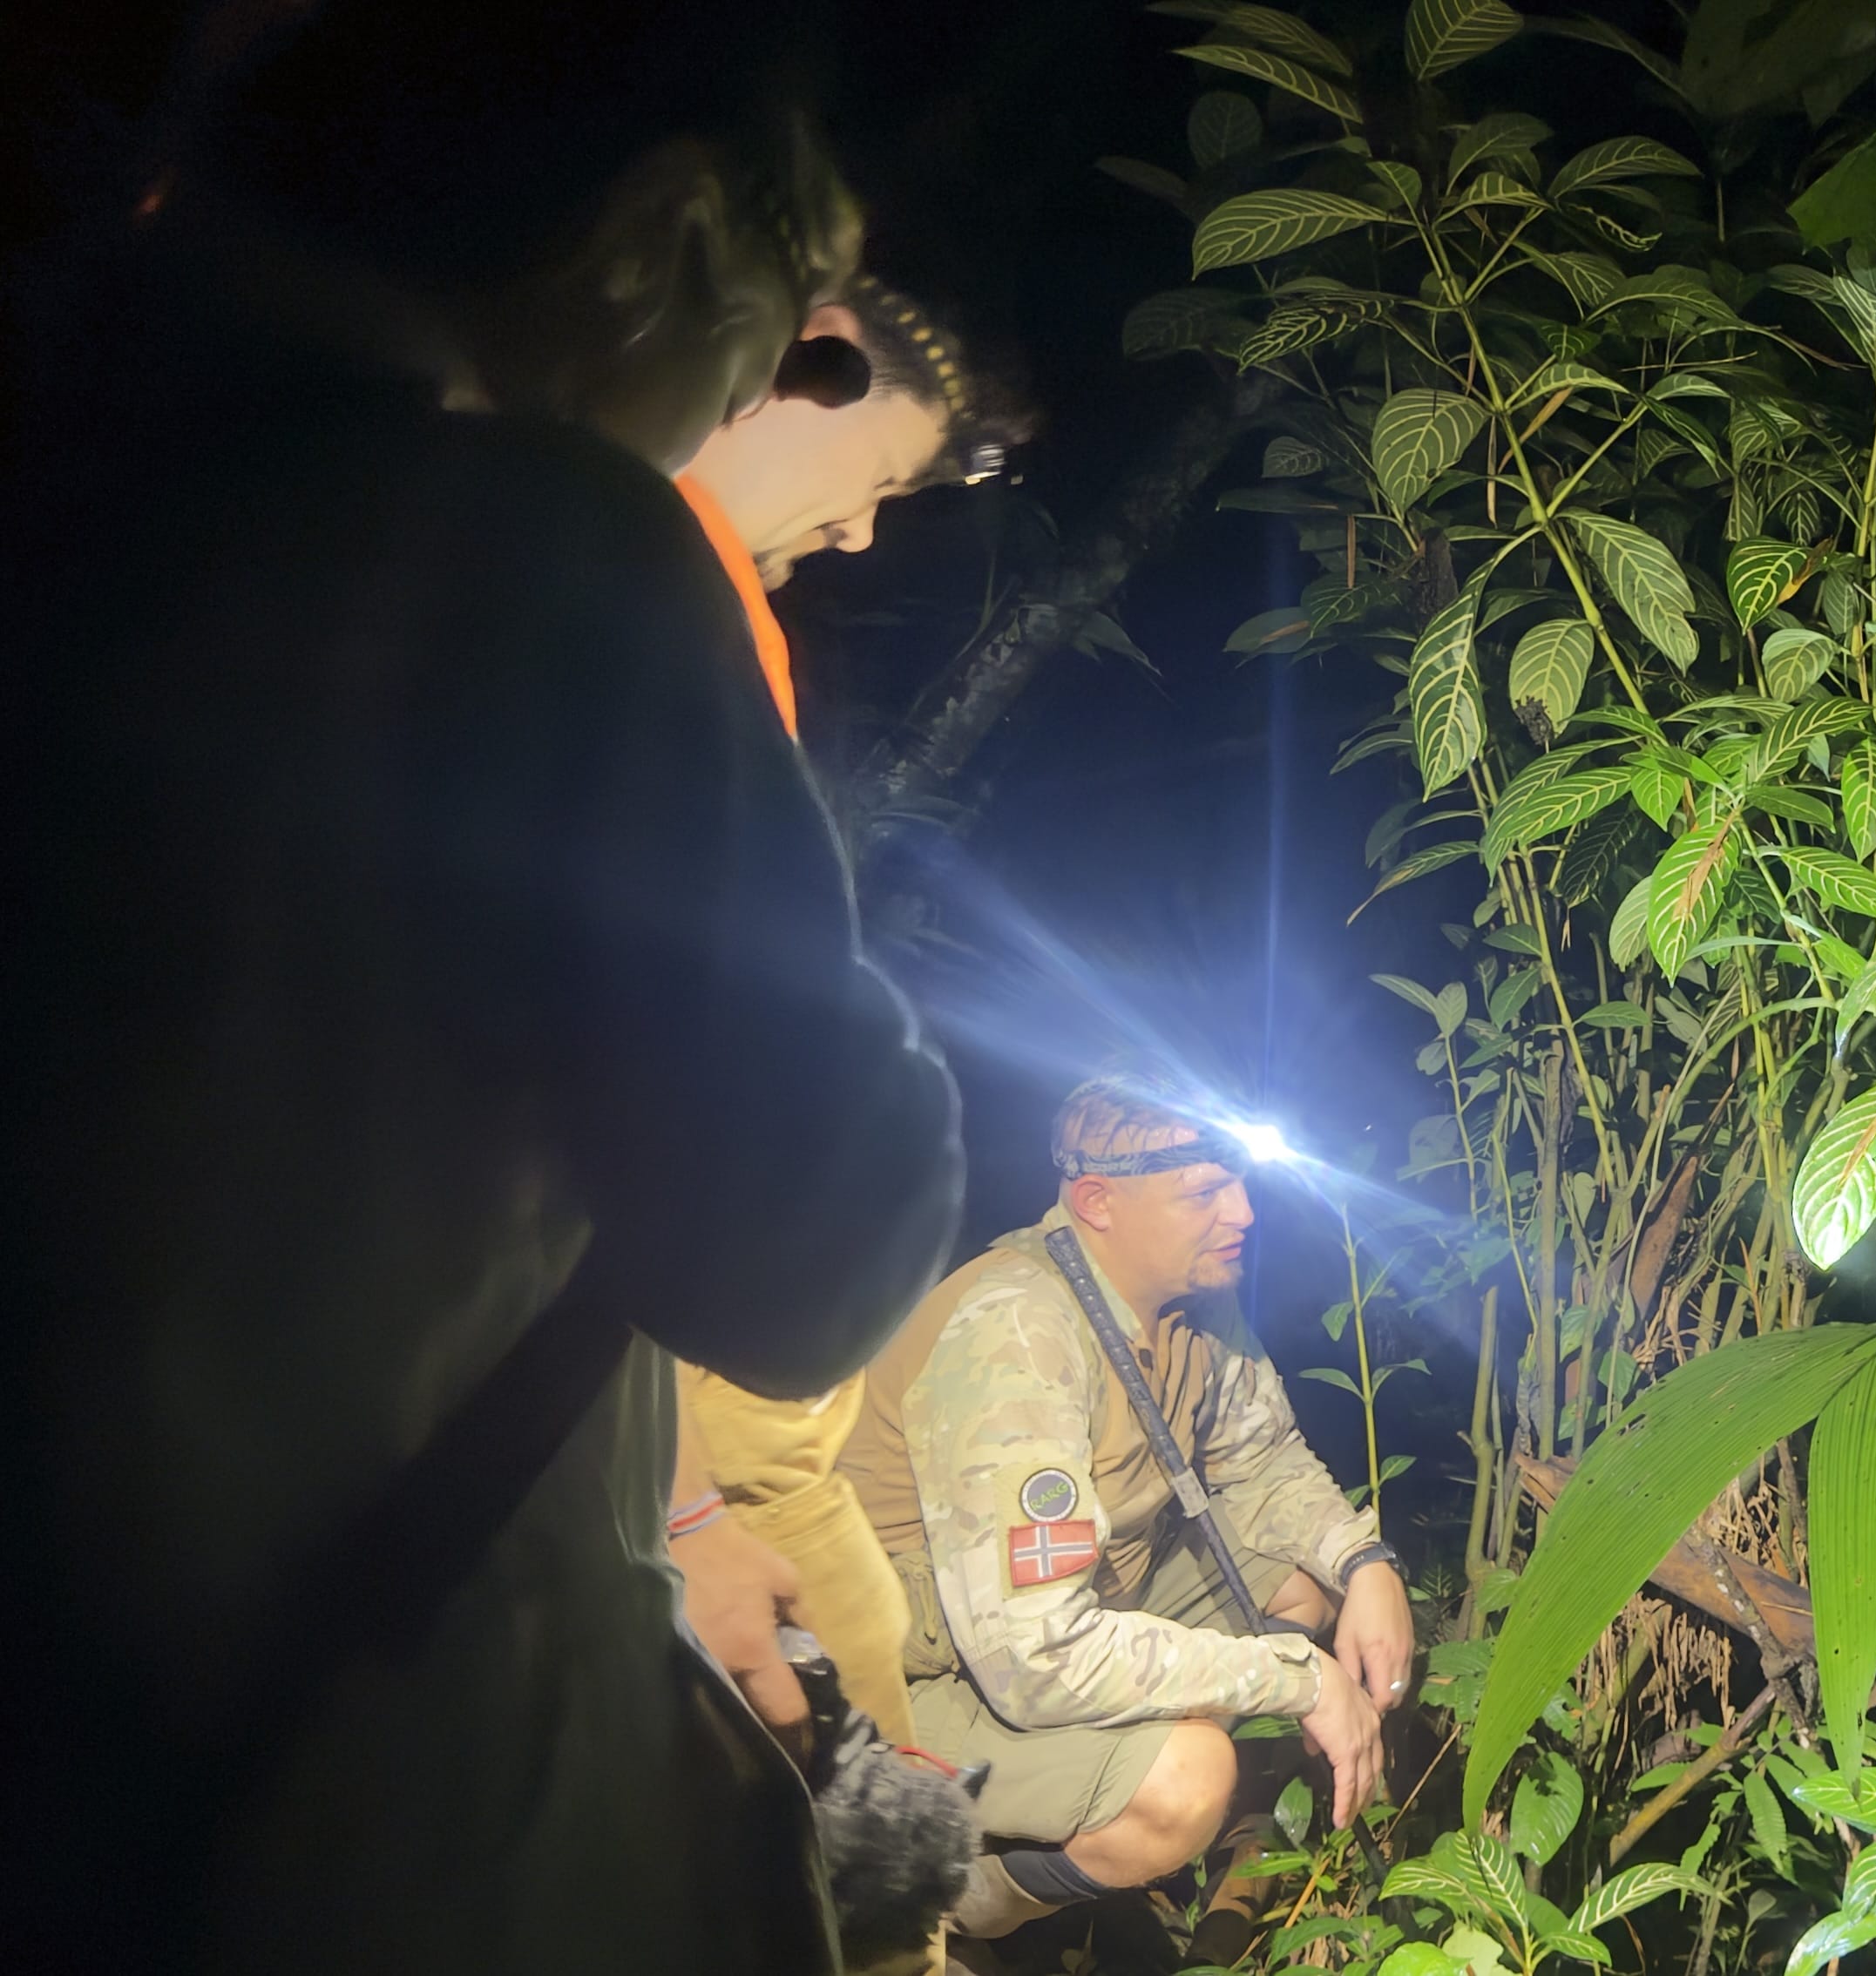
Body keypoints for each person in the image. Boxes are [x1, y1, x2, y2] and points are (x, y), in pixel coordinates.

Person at [1, 3, 963, 1970]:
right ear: (666, 239)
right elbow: (813, 1252)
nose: (731, 414)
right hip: (370, 1806)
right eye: (775, 327)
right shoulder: (536, 545)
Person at [668, 271, 1035, 1753]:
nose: (867, 527)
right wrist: (680, 1496)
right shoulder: (648, 591)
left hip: (685, 1350)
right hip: (676, 1362)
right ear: (795, 363)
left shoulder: (665, 587)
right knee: (843, 1719)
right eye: (877, 474)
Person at [836, 1077, 1419, 1940]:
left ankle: (1199, 1828)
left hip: (1065, 1610)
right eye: (1206, 1192)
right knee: (1181, 1784)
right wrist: (1301, 1681)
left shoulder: (1191, 1301)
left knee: (1304, 1587)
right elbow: (1036, 1658)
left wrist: (1364, 1565)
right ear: (1098, 1201)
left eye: (1241, 1183)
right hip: (907, 1681)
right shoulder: (1017, 1331)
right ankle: (931, 1914)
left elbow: (1261, 1467)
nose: (1245, 1212)